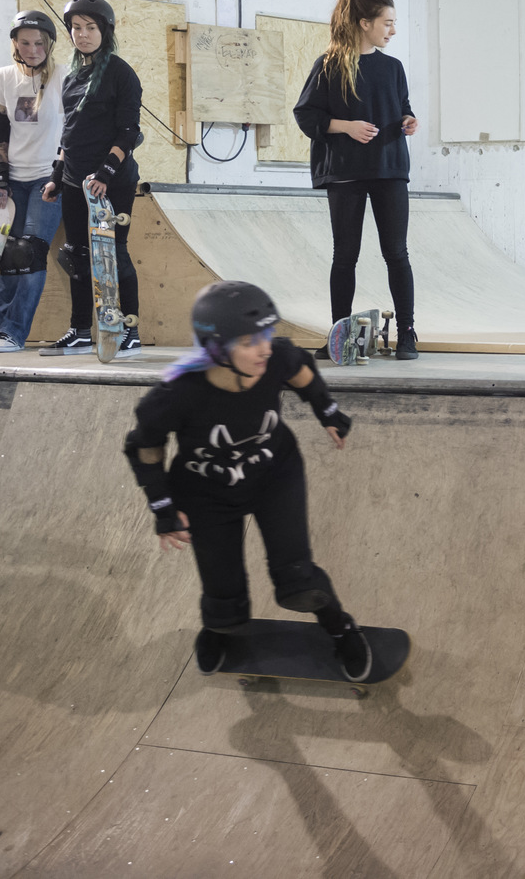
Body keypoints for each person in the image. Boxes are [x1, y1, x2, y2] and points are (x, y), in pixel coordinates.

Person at [123, 281, 374, 680]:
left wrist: (327, 411)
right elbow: (144, 448)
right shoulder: (175, 394)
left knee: (298, 580)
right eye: (249, 341)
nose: (264, 349)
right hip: (205, 493)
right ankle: (219, 627)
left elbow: (302, 372)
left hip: (275, 474)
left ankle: (341, 627)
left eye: (266, 335)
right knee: (224, 600)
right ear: (216, 348)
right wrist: (162, 507)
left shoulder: (276, 359)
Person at [292, 0, 421, 360]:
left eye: (394, 23)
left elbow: (402, 107)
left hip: (389, 168)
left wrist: (409, 121)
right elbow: (307, 115)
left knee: (396, 253)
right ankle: (339, 335)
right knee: (345, 255)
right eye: (388, 23)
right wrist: (345, 126)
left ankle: (408, 334)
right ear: (365, 23)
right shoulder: (329, 65)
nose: (392, 30)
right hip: (346, 171)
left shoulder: (392, 68)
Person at [39, 0, 143, 356]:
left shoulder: (121, 73)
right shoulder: (71, 79)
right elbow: (70, 135)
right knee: (77, 254)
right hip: (74, 180)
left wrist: (105, 173)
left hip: (112, 180)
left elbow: (128, 132)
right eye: (76, 28)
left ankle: (130, 331)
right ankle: (81, 330)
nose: (82, 35)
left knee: (115, 252)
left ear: (105, 31)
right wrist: (56, 176)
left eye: (90, 28)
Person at [0, 11, 65, 352]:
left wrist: (60, 172)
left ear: (49, 44)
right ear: (15, 43)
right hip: (15, 178)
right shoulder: (3, 77)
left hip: (48, 177)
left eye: (39, 43)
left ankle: (14, 333)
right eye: (25, 43)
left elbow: (72, 130)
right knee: (11, 254)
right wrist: (1, 177)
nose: (32, 50)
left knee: (30, 253)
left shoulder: (63, 77)